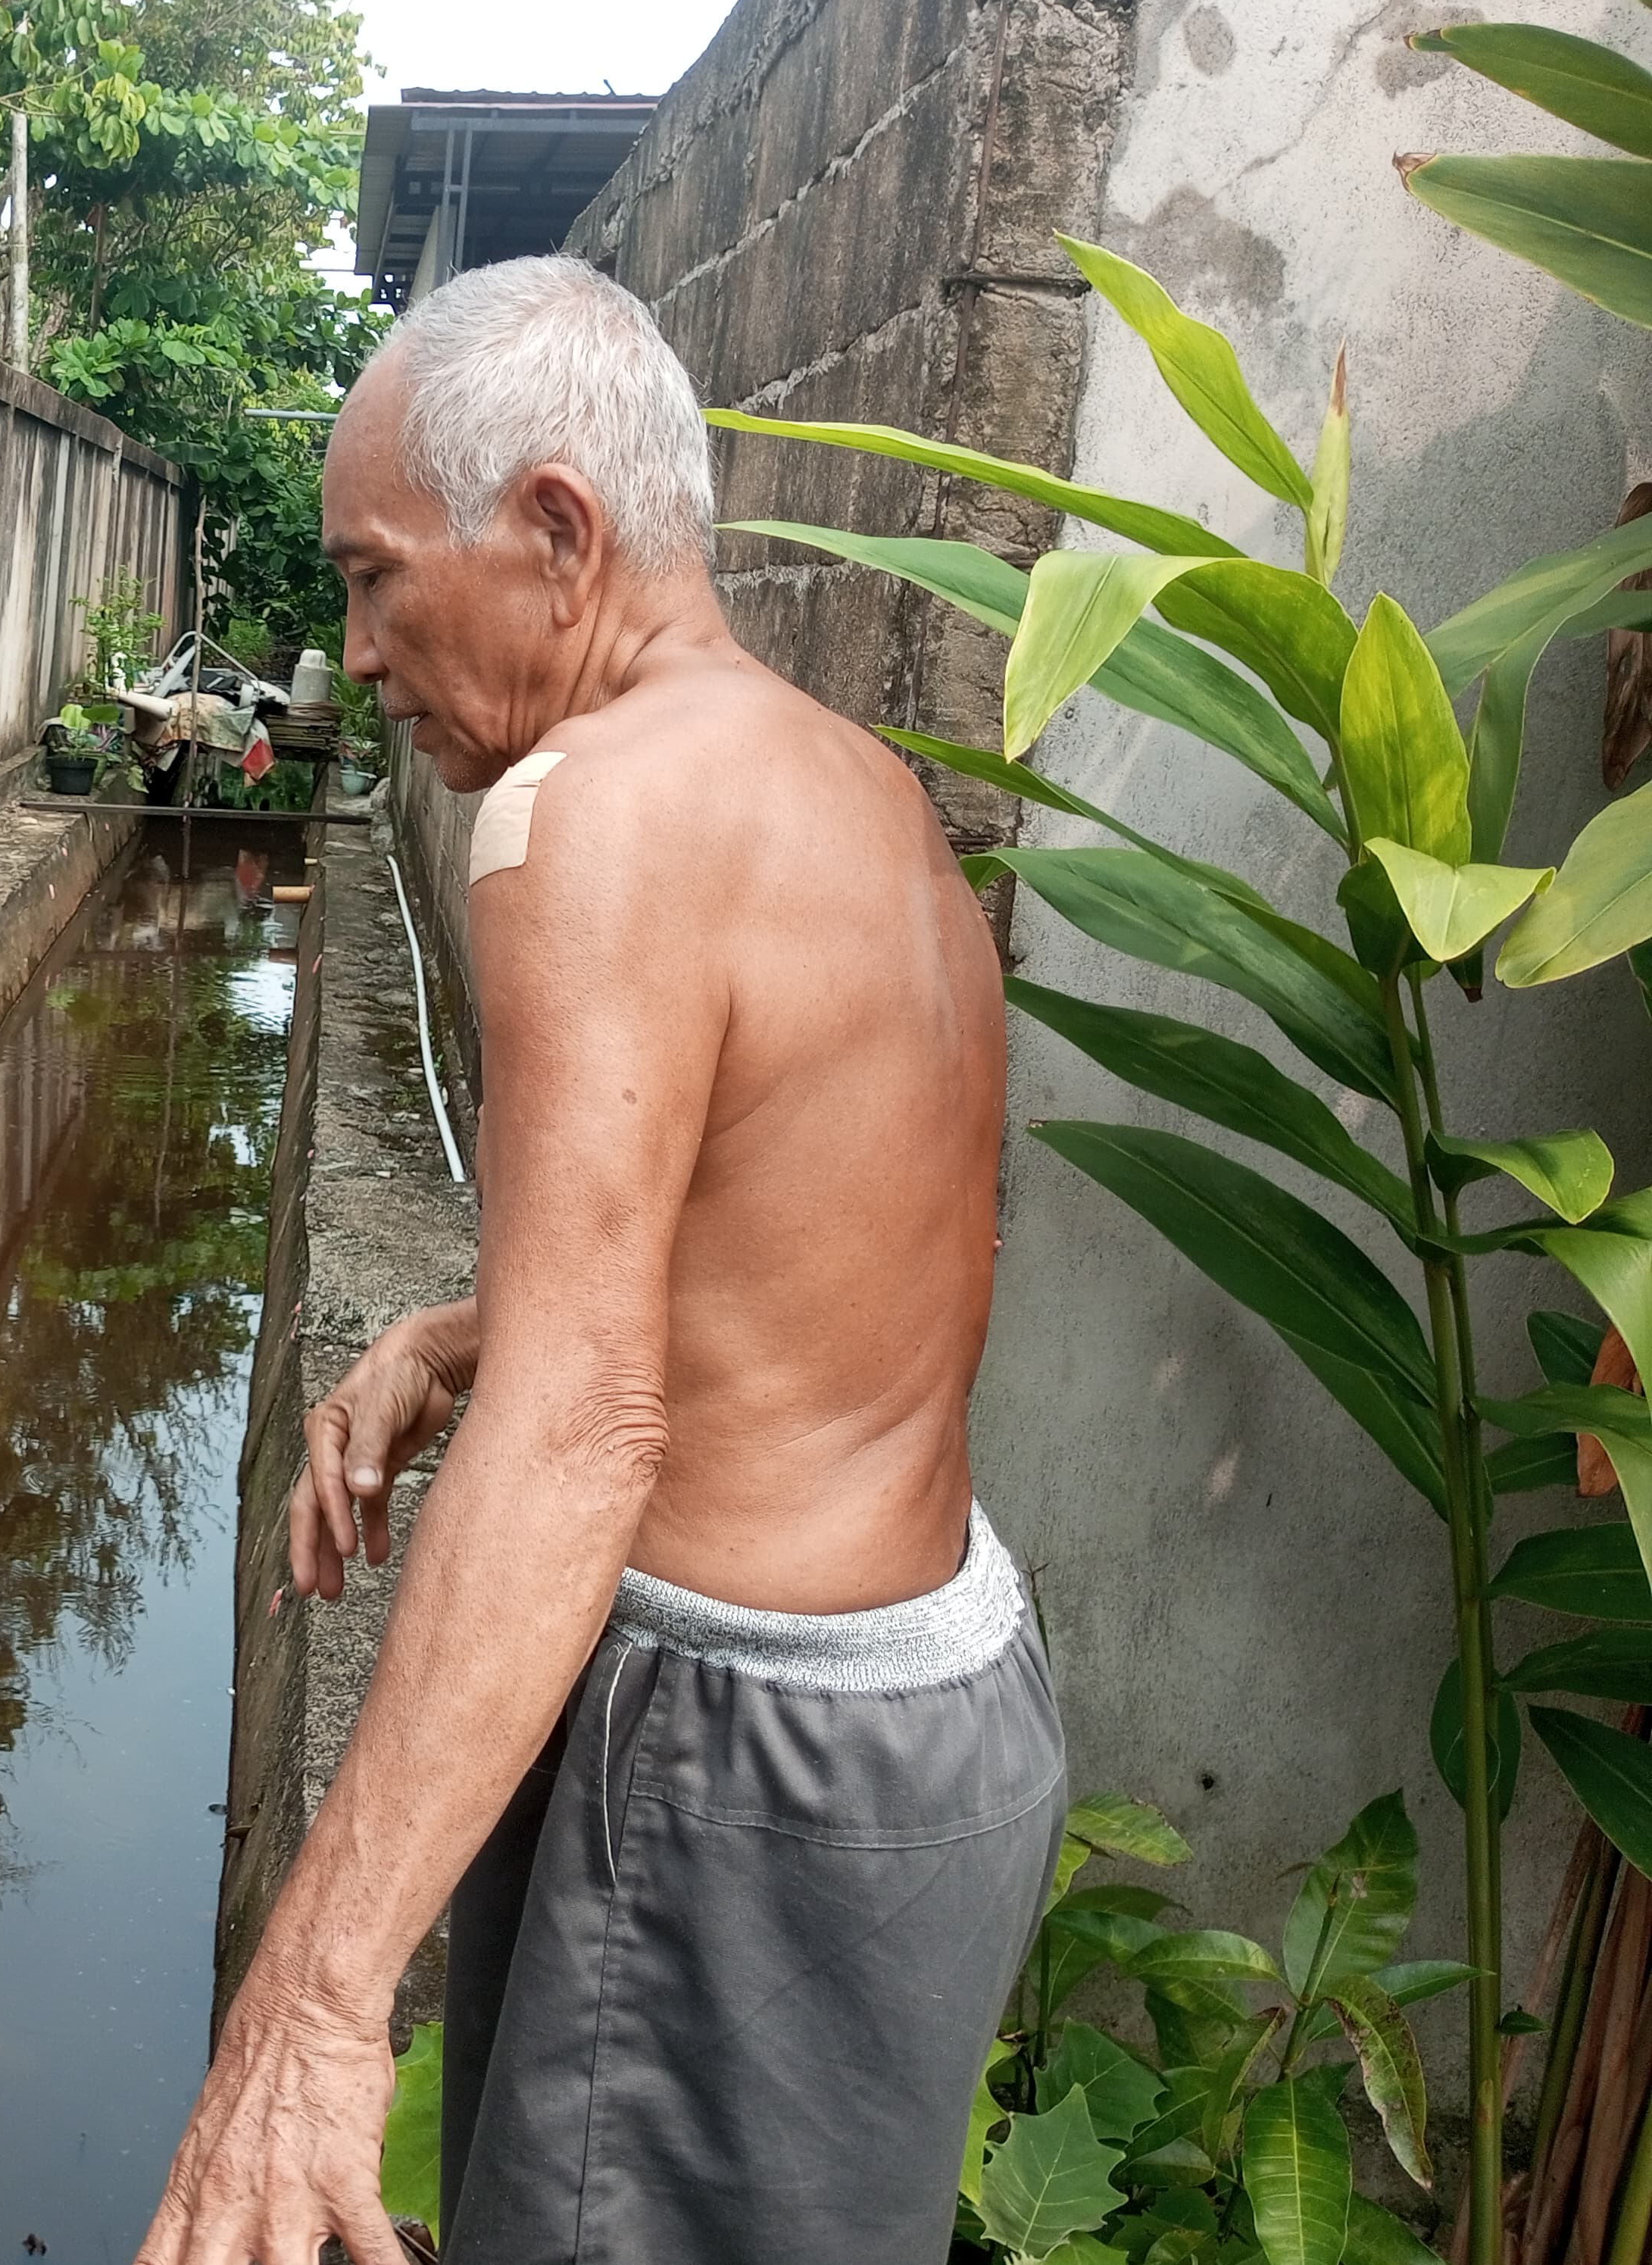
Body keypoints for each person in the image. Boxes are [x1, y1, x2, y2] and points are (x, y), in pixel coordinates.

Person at [133, 255, 1066, 2265]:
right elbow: (799, 1259)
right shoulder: (852, 786)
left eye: (378, 576)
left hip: (746, 1761)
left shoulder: (586, 812)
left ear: (556, 529)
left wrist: (307, 2004)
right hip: (940, 1708)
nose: (357, 650)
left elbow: (589, 1423)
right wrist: (464, 1328)